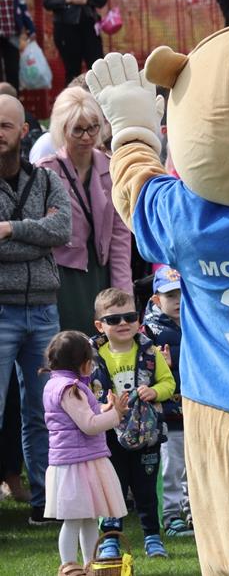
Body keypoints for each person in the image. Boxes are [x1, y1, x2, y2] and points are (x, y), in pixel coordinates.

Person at [0, 93, 71, 524]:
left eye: (6, 126)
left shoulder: (46, 181)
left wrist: (9, 229)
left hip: (44, 310)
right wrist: (36, 236)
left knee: (44, 411)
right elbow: (47, 236)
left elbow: (61, 230)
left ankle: (45, 502)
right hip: (2, 311)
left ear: (24, 131)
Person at [37, 87, 133, 333]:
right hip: (60, 276)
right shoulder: (45, 172)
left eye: (93, 127)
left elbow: (120, 237)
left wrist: (123, 294)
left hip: (100, 271)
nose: (87, 136)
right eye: (77, 129)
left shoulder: (111, 168)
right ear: (62, 130)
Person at [89, 288, 175, 560]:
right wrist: (100, 405)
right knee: (112, 487)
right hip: (109, 434)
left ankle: (152, 536)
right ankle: (110, 538)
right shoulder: (92, 355)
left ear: (139, 319)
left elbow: (168, 382)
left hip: (145, 431)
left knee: (145, 488)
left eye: (130, 316)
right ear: (100, 325)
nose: (123, 323)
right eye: (114, 320)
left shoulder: (150, 350)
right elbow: (84, 390)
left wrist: (155, 392)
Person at [41, 330, 129, 575]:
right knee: (74, 519)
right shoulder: (70, 389)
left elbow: (86, 412)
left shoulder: (59, 384)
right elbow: (88, 424)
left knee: (90, 517)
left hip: (82, 460)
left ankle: (91, 565)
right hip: (76, 463)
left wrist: (106, 407)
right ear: (81, 362)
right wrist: (116, 415)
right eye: (90, 359)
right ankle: (69, 566)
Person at [142, 266, 191, 537]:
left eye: (181, 294)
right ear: (156, 300)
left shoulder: (197, 322)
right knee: (170, 468)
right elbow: (141, 371)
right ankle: (171, 516)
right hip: (166, 413)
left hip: (192, 409)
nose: (177, 301)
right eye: (170, 296)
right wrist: (158, 365)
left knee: (192, 466)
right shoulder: (148, 331)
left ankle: (191, 511)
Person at [0, 0, 36, 90]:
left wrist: (30, 27)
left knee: (13, 71)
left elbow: (21, 3)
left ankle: (14, 105)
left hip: (11, 33)